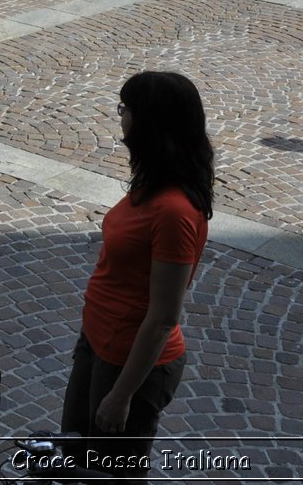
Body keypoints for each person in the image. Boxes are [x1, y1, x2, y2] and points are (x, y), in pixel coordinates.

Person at [56, 71, 213, 485]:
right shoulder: (149, 184)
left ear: (151, 122)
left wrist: (122, 394)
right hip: (98, 345)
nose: (120, 117)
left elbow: (163, 317)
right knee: (73, 464)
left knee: (109, 476)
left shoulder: (175, 212)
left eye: (126, 109)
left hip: (129, 365)